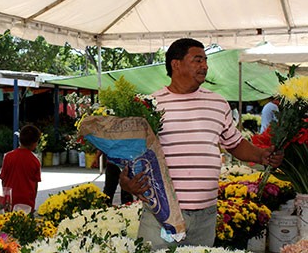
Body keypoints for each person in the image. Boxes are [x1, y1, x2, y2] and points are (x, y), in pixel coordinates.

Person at [119, 38, 283, 250]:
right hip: (162, 212)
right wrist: (126, 180)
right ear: (175, 64)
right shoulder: (151, 105)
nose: (204, 66)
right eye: (197, 60)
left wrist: (262, 155)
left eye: (205, 60)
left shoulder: (218, 103)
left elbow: (234, 143)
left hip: (206, 214)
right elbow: (131, 153)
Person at [0, 124, 42, 212]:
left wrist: (5, 196)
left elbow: (3, 179)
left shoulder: (8, 157)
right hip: (27, 203)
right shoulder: (35, 161)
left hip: (9, 202)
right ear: (35, 143)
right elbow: (35, 185)